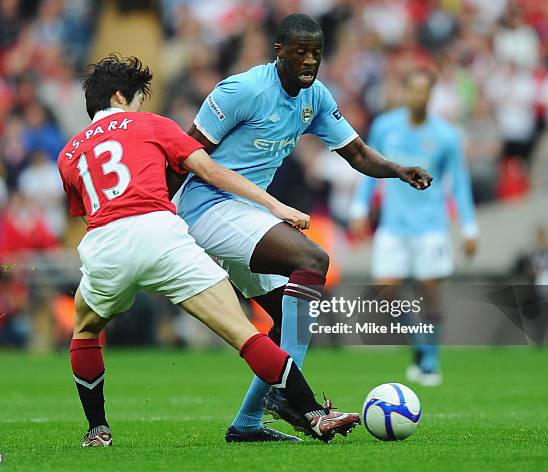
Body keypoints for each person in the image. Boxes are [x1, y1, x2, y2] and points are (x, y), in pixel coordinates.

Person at [57, 54, 361, 448]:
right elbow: (212, 171)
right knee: (243, 334)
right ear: (120, 97)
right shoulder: (153, 124)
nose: (137, 107)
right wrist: (275, 206)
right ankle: (313, 413)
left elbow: (86, 211)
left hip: (104, 241)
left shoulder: (68, 153)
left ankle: (98, 430)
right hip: (160, 233)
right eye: (135, 98)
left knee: (85, 330)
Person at [170, 13, 432, 442]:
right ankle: (302, 404)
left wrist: (398, 169)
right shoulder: (242, 90)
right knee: (313, 258)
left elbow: (358, 154)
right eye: (301, 52)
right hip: (207, 208)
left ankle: (249, 424)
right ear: (280, 53)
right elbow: (185, 154)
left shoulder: (316, 98)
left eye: (317, 53)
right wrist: (156, 212)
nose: (310, 61)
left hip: (248, 216)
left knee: (287, 326)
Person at [350, 68, 478, 386]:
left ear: (431, 94)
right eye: (413, 89)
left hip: (430, 227)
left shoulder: (446, 136)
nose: (418, 96)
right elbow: (370, 168)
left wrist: (469, 228)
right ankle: (420, 345)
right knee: (386, 289)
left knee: (430, 292)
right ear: (404, 92)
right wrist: (359, 208)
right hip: (393, 226)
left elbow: (458, 183)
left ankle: (431, 361)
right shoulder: (385, 127)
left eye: (424, 90)